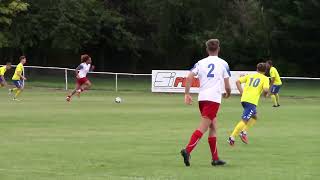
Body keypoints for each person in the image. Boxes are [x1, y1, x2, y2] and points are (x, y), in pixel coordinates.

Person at [180, 39, 231, 167]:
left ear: (207, 50)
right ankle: (187, 150)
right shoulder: (223, 63)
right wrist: (228, 93)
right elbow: (228, 86)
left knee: (213, 127)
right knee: (203, 127)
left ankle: (215, 159)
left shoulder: (200, 63)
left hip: (202, 98)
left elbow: (190, 76)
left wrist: (187, 93)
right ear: (218, 49)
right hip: (213, 99)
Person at [228, 63, 269, 146]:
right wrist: (265, 94)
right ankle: (232, 137)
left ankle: (243, 132)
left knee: (254, 117)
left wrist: (242, 93)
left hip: (244, 99)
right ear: (265, 71)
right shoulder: (265, 78)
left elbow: (237, 81)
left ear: (257, 69)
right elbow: (266, 89)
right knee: (245, 120)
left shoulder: (250, 76)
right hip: (251, 101)